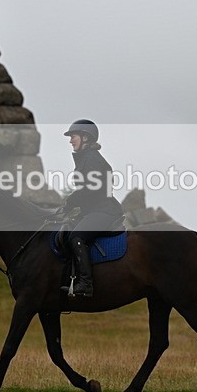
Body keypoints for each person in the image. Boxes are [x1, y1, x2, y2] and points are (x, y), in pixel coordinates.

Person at [59, 119, 124, 297]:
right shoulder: (85, 159)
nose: (70, 140)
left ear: (85, 138)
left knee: (76, 237)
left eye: (73, 136)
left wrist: (70, 202)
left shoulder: (92, 159)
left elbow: (90, 189)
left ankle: (86, 284)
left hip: (104, 211)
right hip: (93, 210)